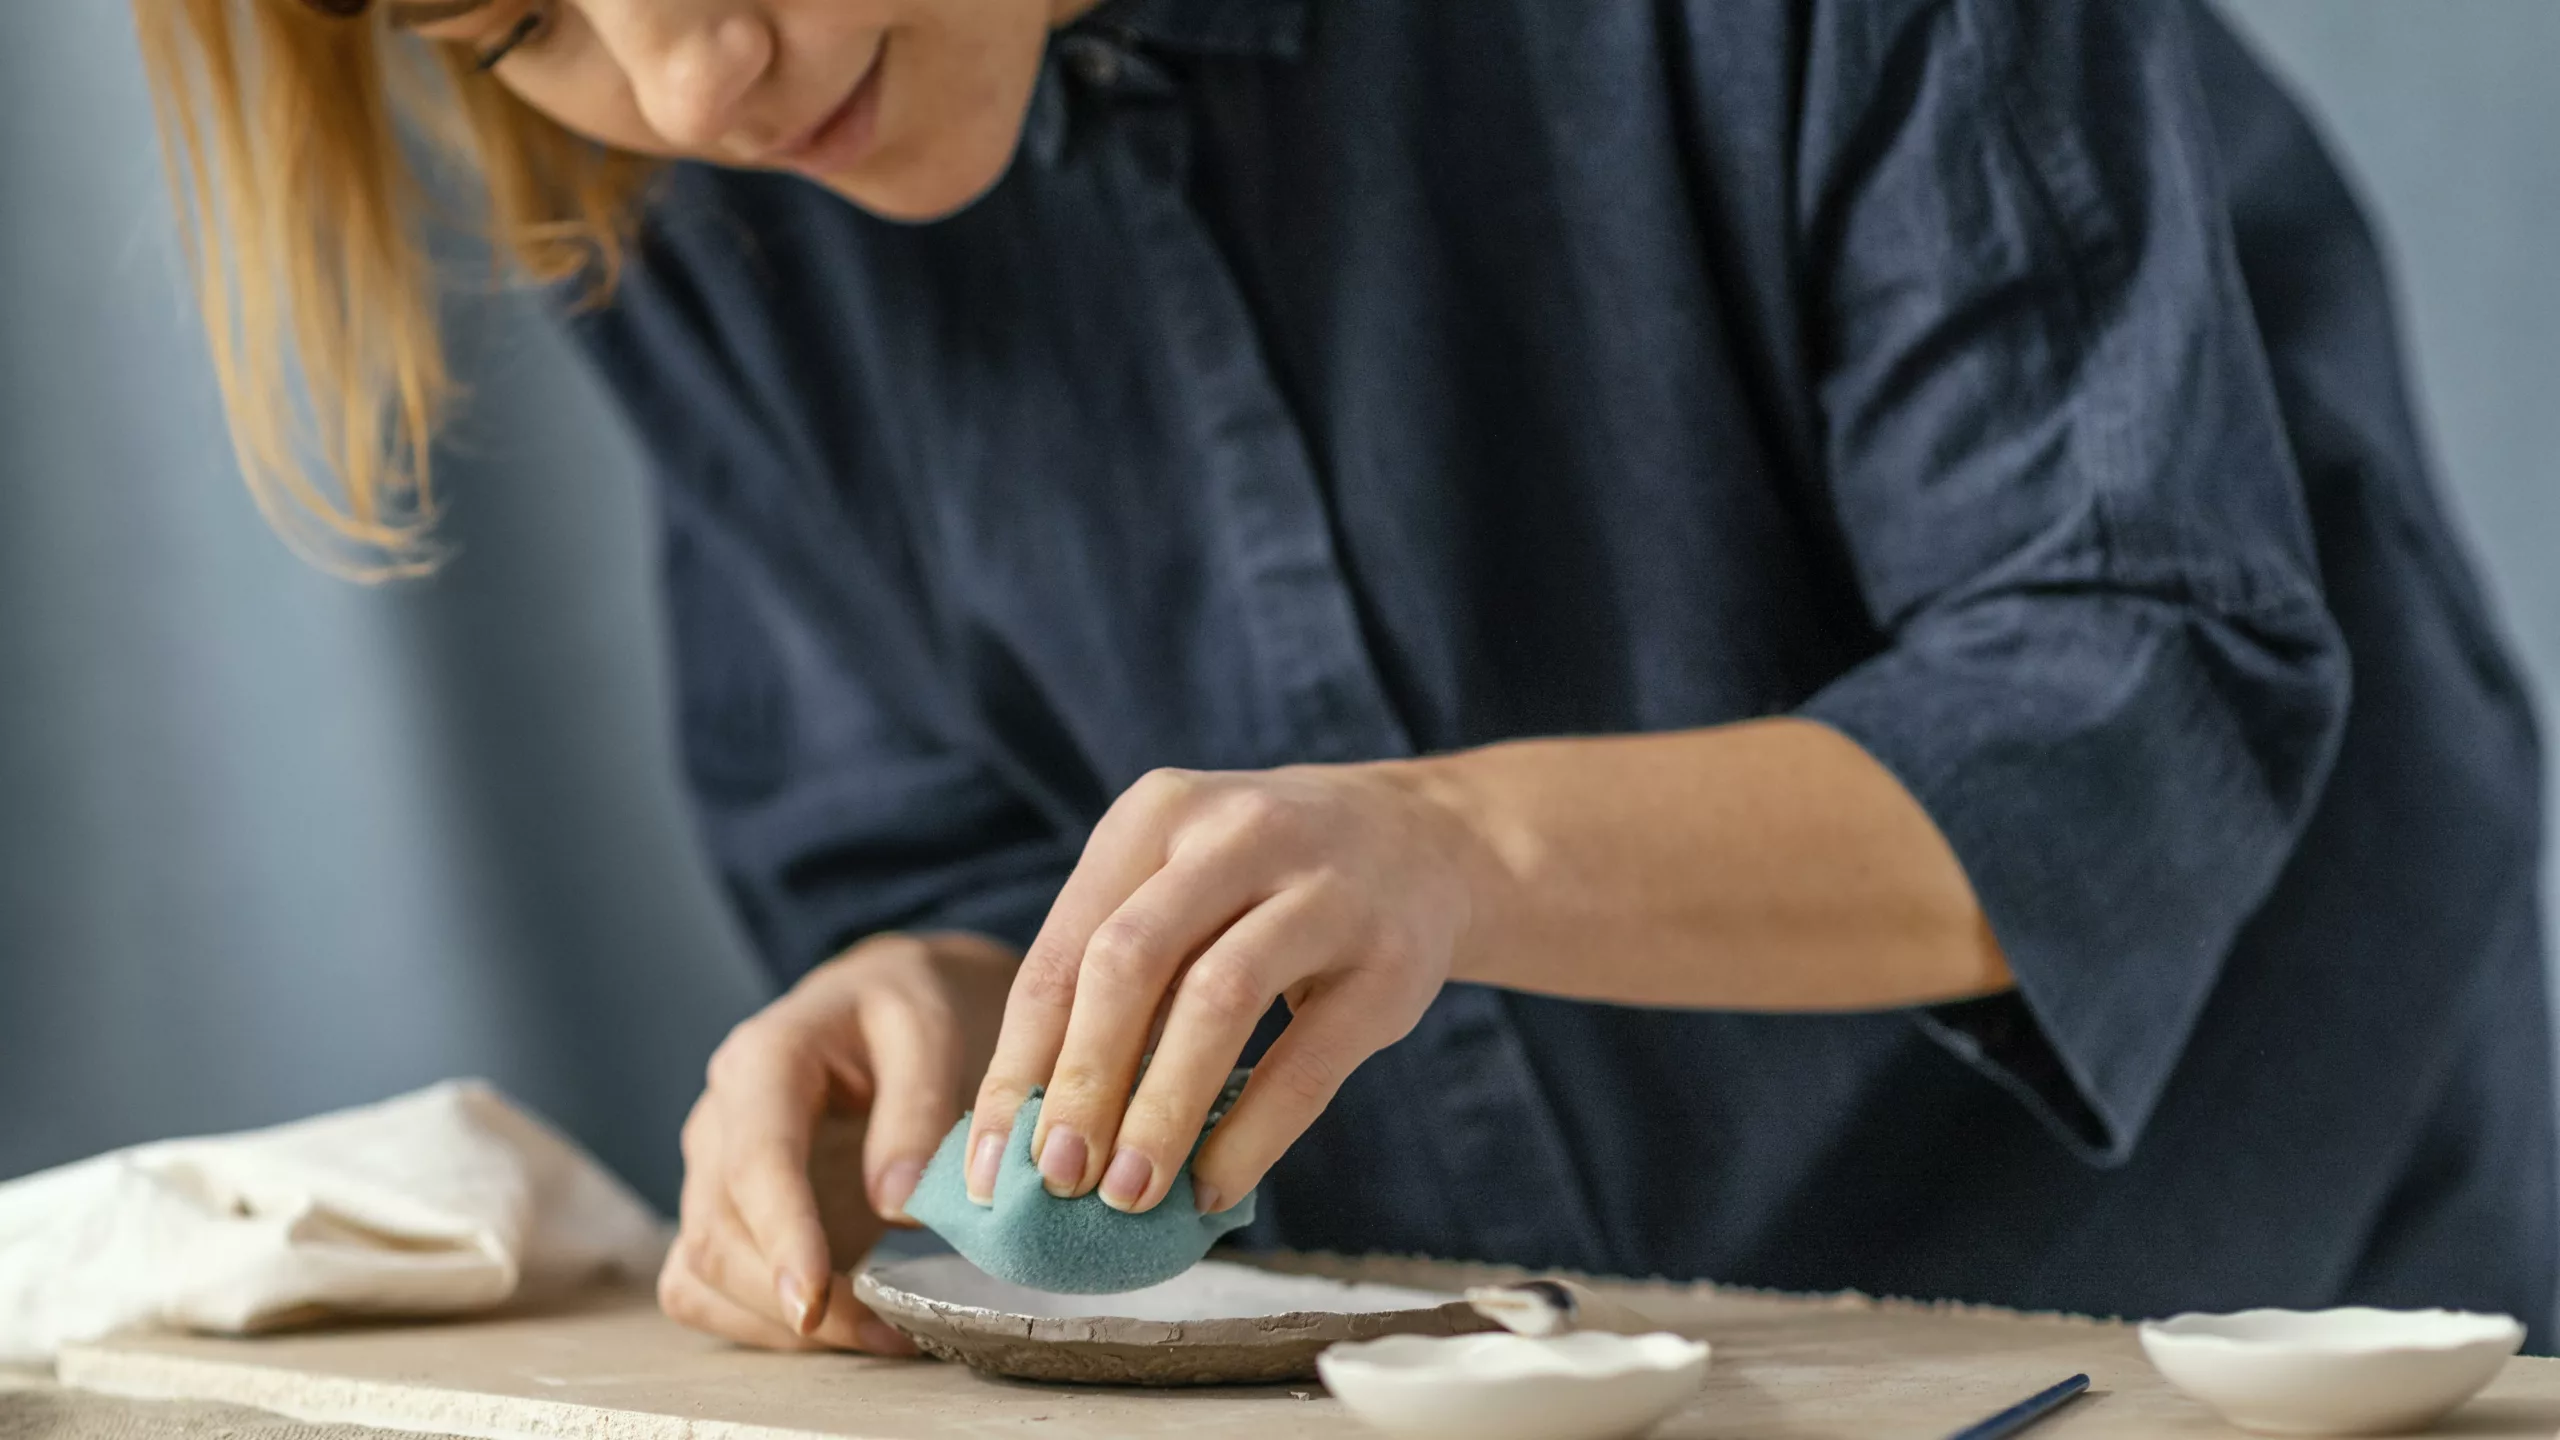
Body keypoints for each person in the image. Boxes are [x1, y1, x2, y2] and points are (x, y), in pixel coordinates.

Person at [136, 0, 2556, 1358]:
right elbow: (939, 828)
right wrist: (960, 1004)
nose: (692, 79)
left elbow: (2136, 684)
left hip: (2233, 1318)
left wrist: (1449, 851)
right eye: (521, 18)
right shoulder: (700, 215)